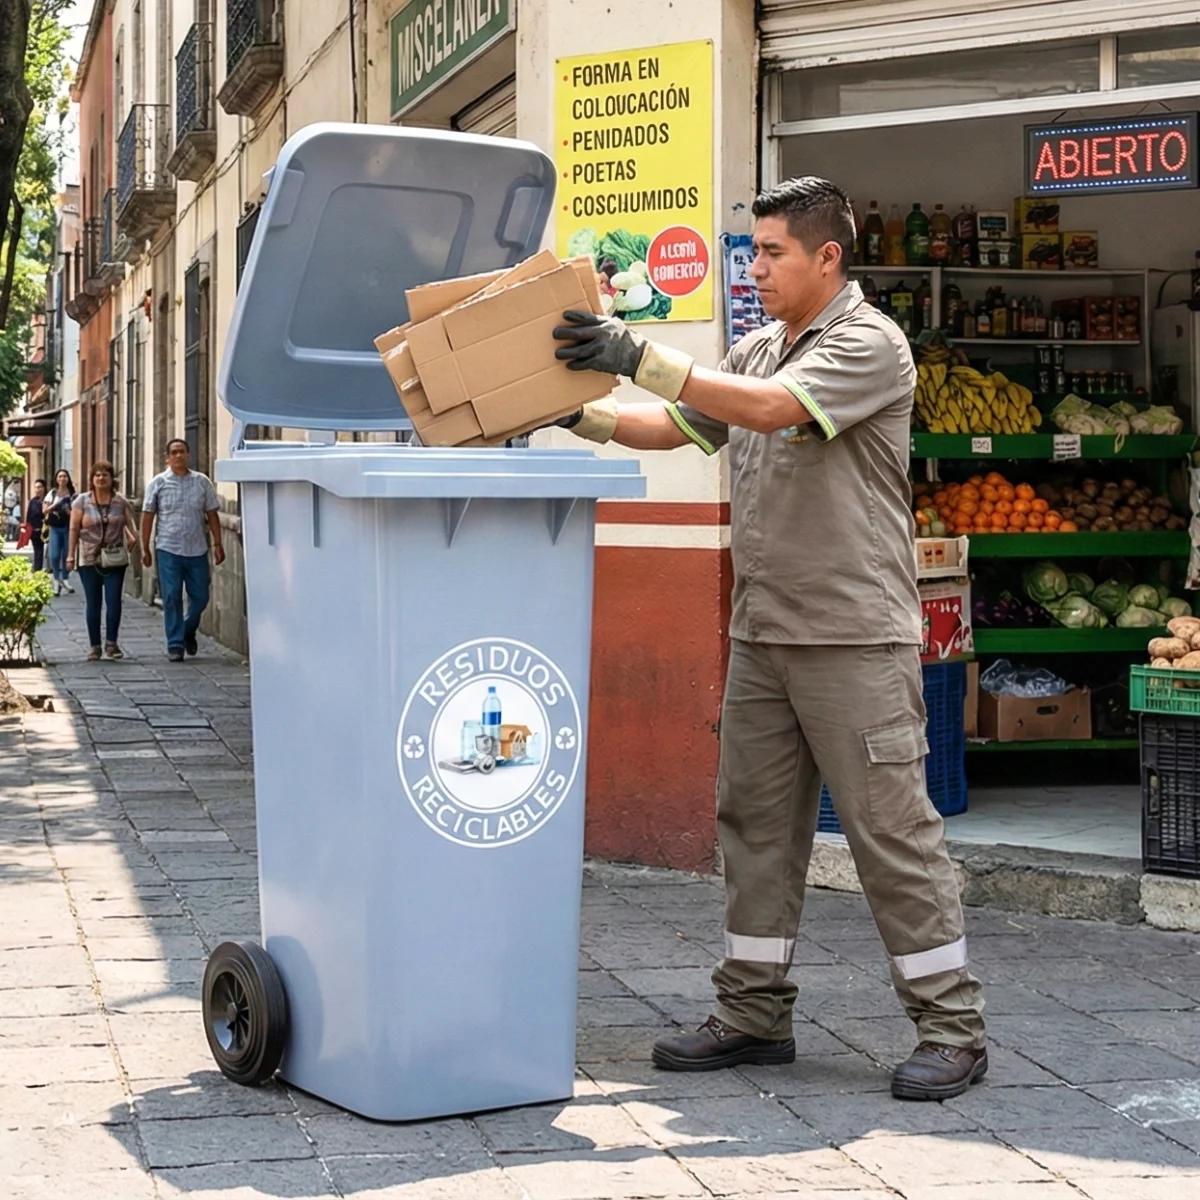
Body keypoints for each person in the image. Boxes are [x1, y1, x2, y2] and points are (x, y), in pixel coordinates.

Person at [552, 177, 987, 1102]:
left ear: (829, 257)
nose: (755, 269)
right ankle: (752, 1012)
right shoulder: (752, 350)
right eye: (750, 252)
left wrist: (635, 351)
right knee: (752, 827)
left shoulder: (870, 344)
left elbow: (773, 410)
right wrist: (568, 411)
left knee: (891, 833)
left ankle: (952, 1026)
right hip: (762, 634)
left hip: (853, 638)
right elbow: (673, 425)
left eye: (773, 253)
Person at [141, 438, 225, 662]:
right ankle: (175, 644)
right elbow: (147, 516)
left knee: (201, 597)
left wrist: (218, 543)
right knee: (171, 596)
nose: (178, 456)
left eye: (182, 452)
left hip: (197, 548)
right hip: (168, 548)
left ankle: (187, 629)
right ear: (167, 457)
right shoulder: (157, 483)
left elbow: (212, 514)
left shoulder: (202, 482)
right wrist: (145, 547)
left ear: (188, 455)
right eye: (174, 452)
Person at [66, 461, 139, 661]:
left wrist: (133, 536)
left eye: (105, 475)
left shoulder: (120, 501)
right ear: (92, 479)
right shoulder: (81, 501)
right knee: (93, 602)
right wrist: (70, 555)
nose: (101, 478)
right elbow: (73, 528)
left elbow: (128, 523)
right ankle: (95, 646)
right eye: (97, 475)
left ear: (111, 478)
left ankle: (112, 644)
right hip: (88, 558)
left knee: (114, 600)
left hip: (115, 557)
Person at [45, 469, 76, 594]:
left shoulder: (73, 494)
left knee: (66, 555)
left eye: (65, 476)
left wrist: (69, 511)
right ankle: (55, 579)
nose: (62, 479)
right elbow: (45, 510)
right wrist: (56, 504)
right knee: (54, 555)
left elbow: (77, 512)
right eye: (60, 476)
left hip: (69, 528)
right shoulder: (52, 493)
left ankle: (65, 579)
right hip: (55, 527)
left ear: (68, 479)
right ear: (56, 479)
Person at [24, 479, 47, 572]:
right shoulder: (32, 501)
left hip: (45, 530)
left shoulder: (47, 500)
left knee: (42, 551)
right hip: (34, 531)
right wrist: (27, 529)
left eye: (40, 487)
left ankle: (40, 568)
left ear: (44, 488)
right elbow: (29, 516)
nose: (37, 489)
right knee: (37, 550)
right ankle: (37, 569)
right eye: (36, 487)